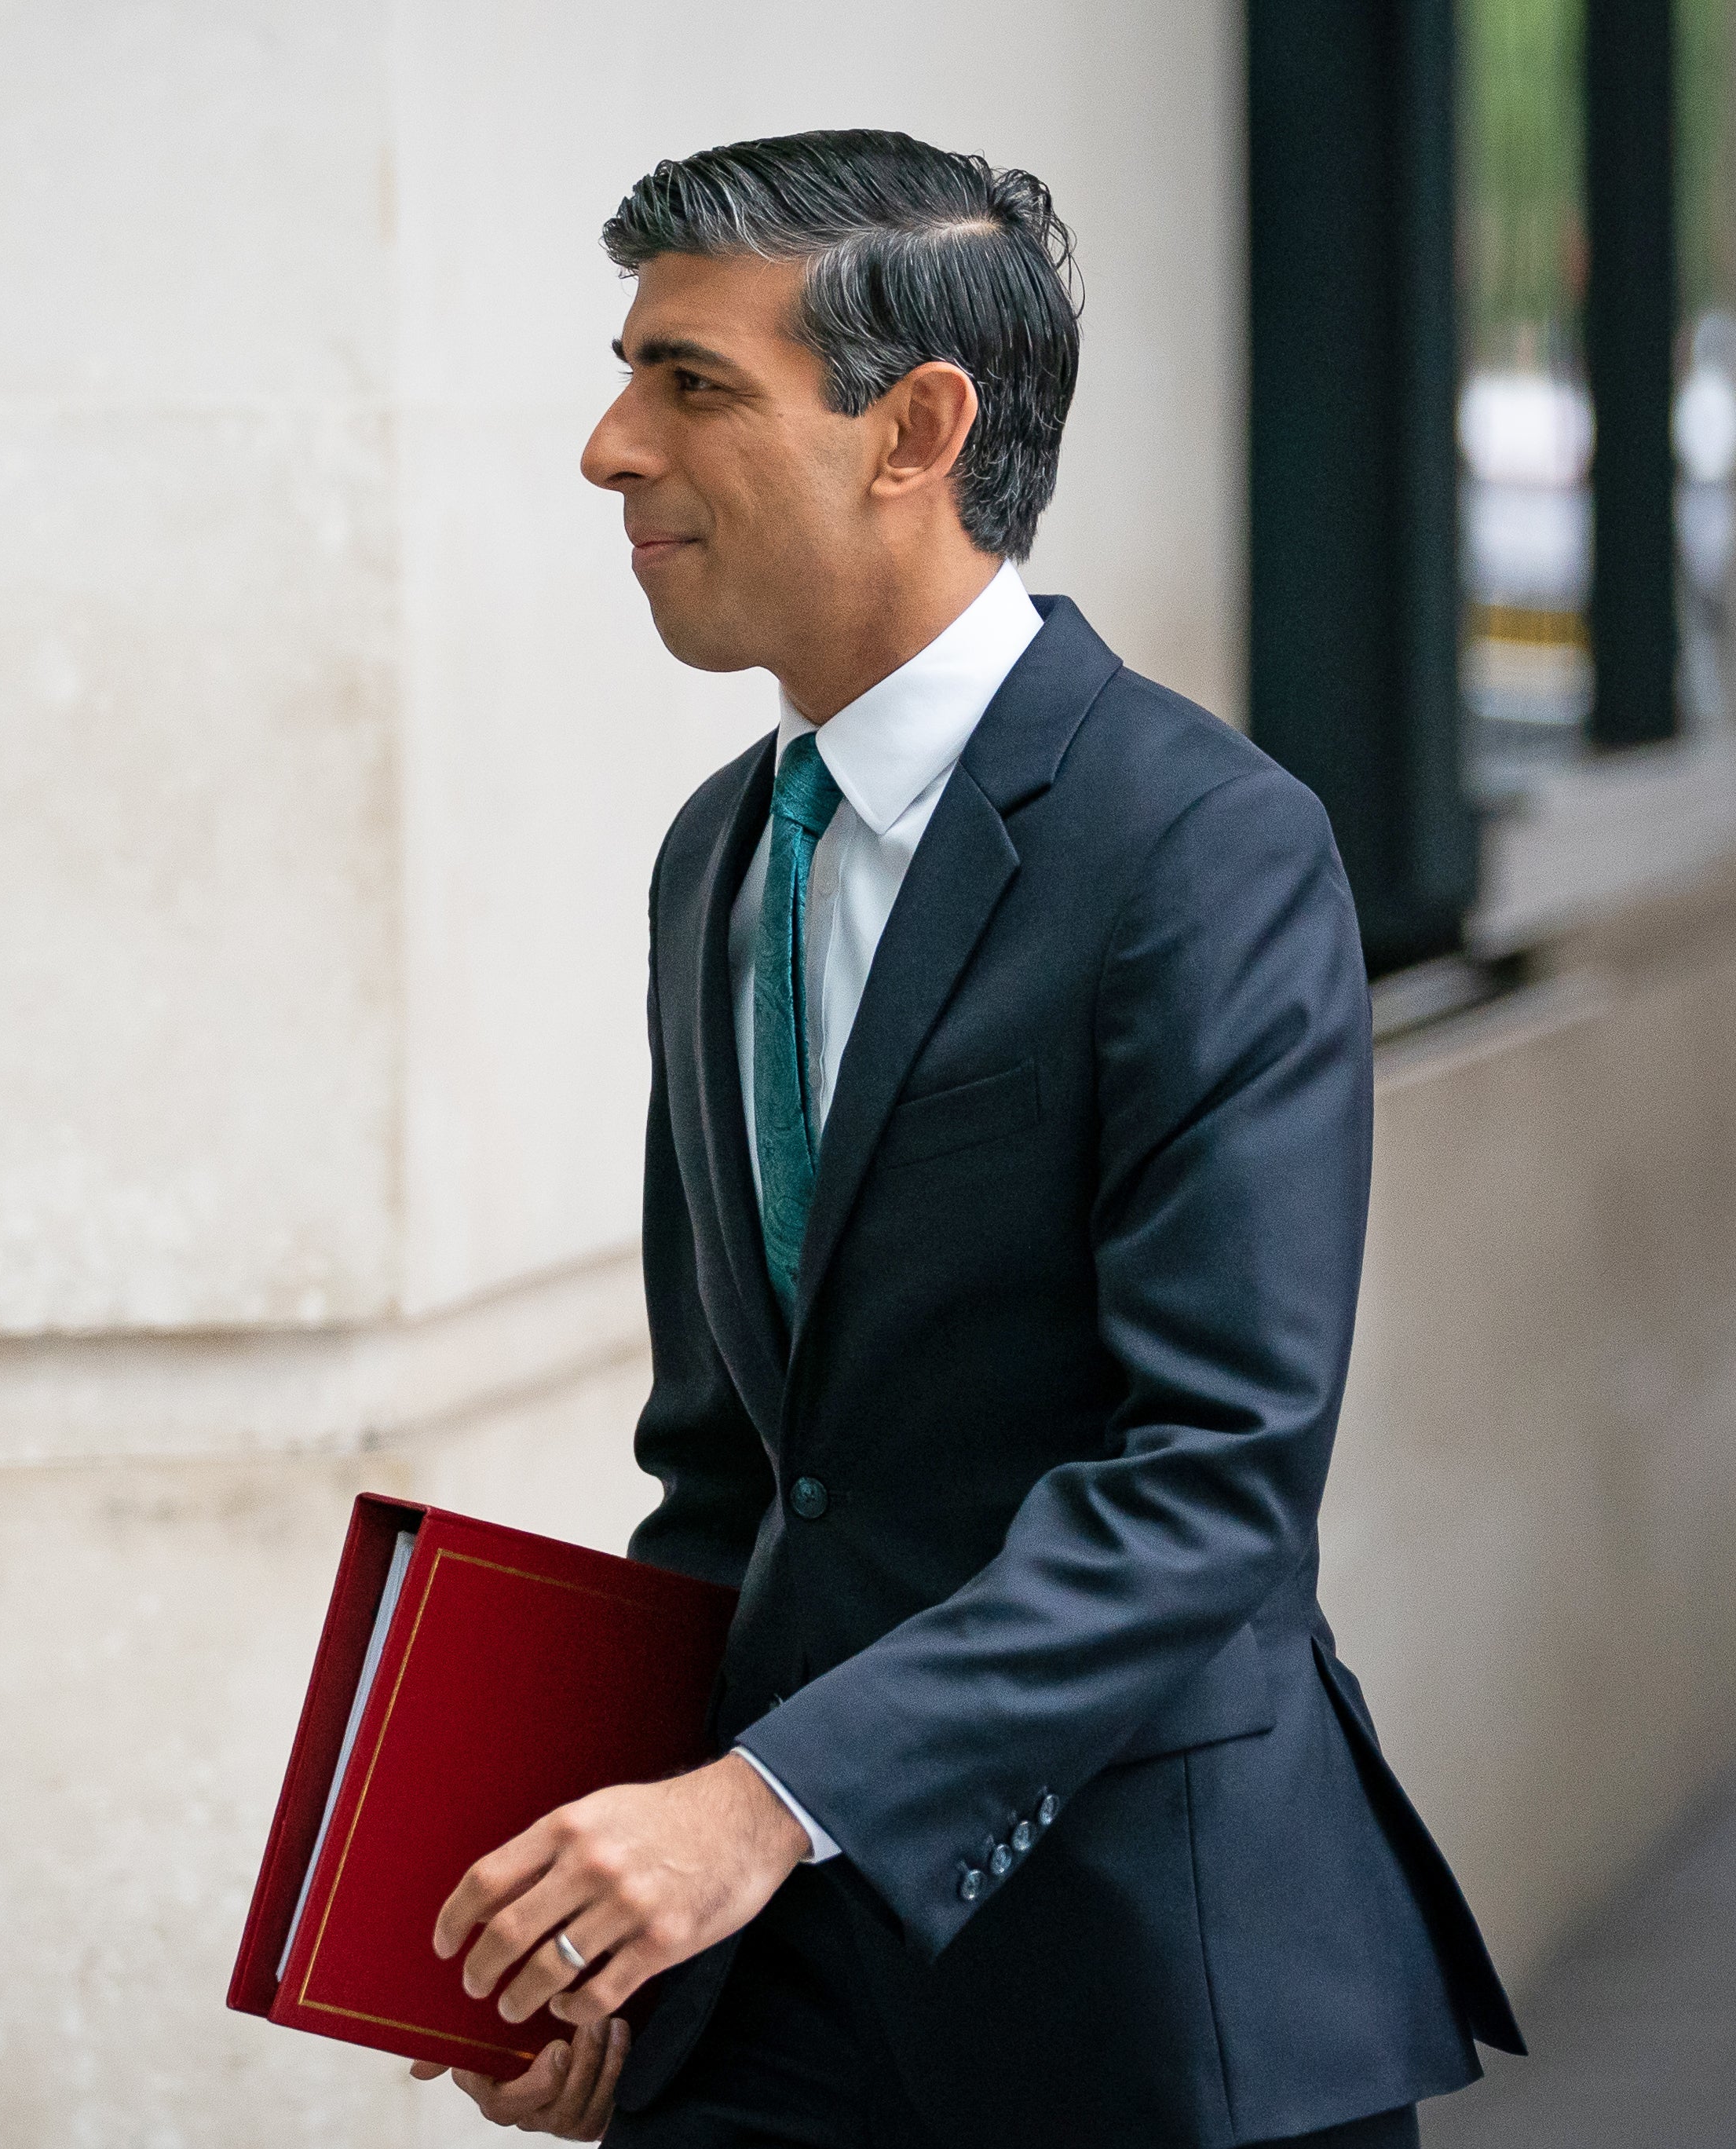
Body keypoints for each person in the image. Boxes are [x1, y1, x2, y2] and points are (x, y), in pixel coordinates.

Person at [404, 130, 1523, 2147]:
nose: (606, 447)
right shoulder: (717, 858)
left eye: (691, 383)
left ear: (915, 428)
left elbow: (1211, 1483)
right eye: (625, 370)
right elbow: (733, 1477)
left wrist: (747, 1813)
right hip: (778, 2005)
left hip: (1146, 1993)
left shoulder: (1203, 846)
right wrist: (611, 1947)